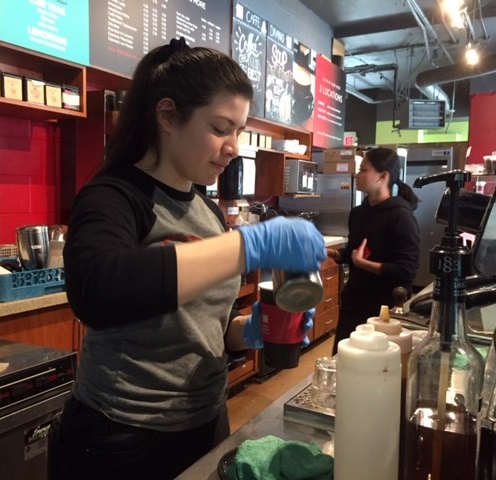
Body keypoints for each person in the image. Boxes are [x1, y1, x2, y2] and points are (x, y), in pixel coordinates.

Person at [48, 37, 327, 480]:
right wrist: (249, 245)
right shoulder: (114, 196)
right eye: (220, 128)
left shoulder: (205, 210)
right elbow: (96, 290)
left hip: (205, 422)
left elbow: (199, 328)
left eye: (238, 130)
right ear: (167, 116)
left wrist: (249, 331)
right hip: (122, 439)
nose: (233, 146)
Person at [329, 147, 420, 355]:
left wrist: (365, 265)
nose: (356, 175)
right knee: (343, 359)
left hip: (384, 312)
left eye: (363, 170)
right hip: (354, 302)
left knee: (374, 368)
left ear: (383, 176)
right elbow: (355, 252)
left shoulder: (401, 217)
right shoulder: (359, 213)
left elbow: (406, 271)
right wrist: (335, 254)